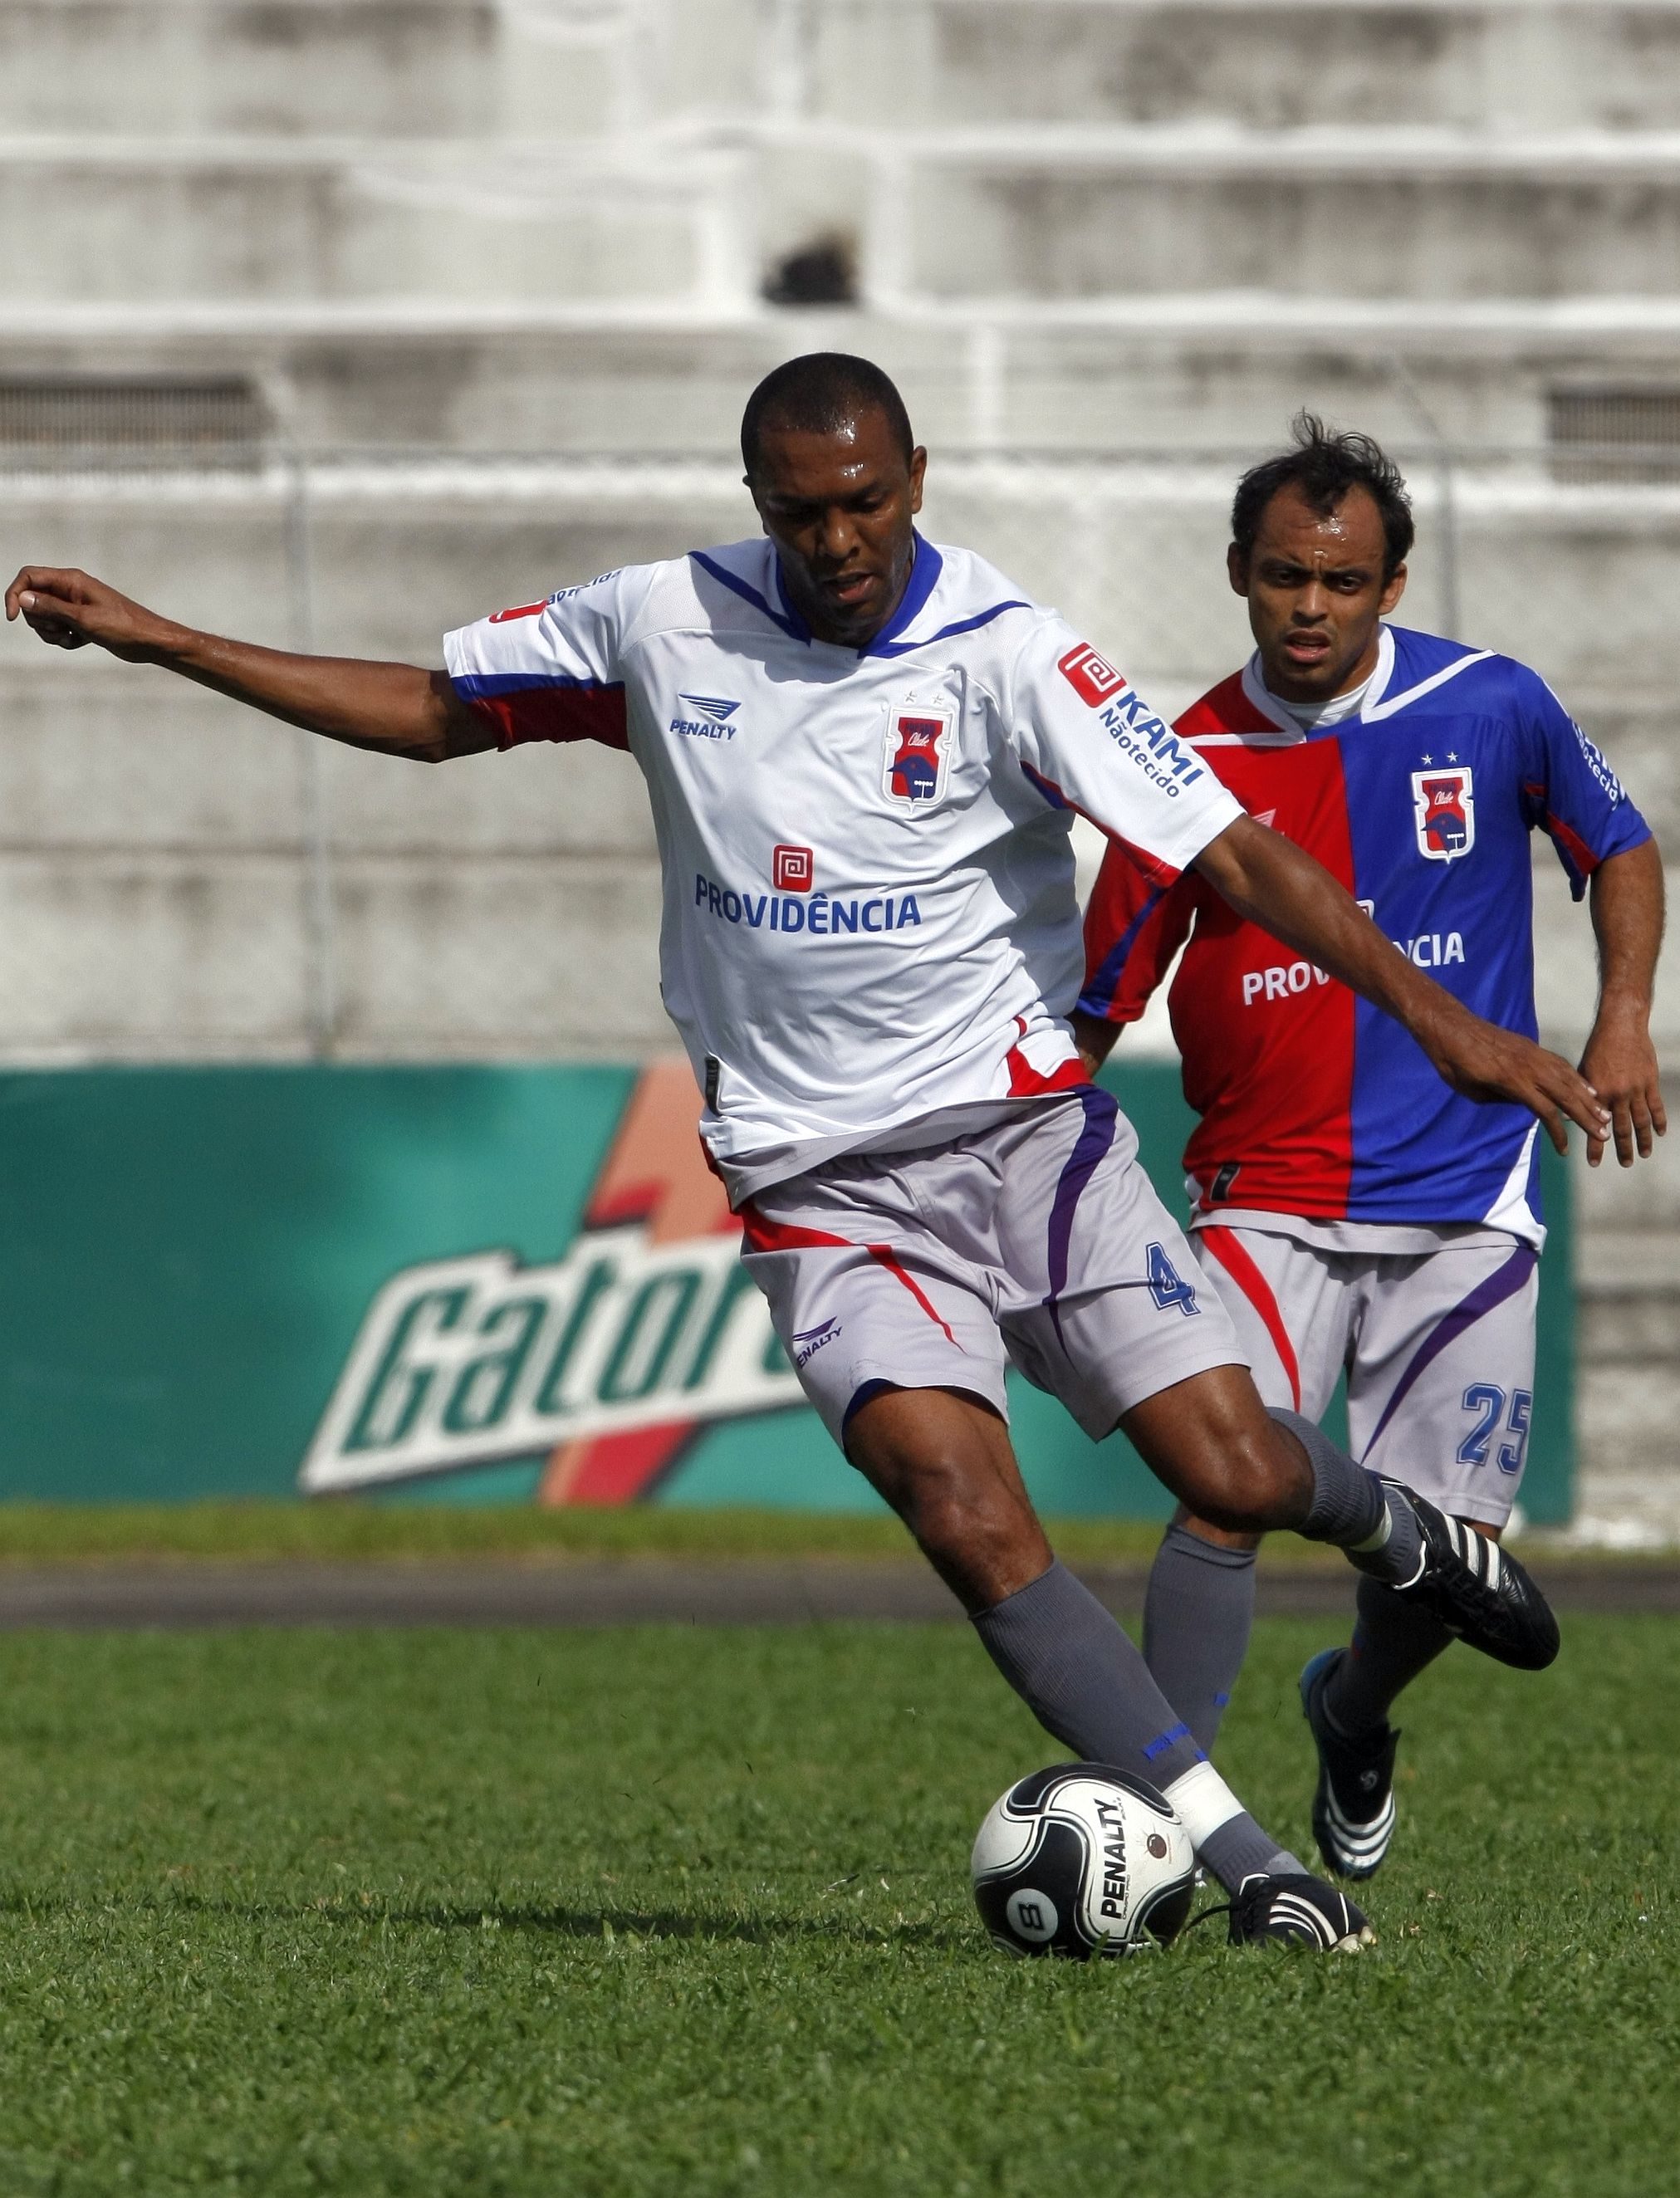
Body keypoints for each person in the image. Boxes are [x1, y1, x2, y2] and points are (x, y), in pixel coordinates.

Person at [9, 358, 1590, 1951]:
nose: (837, 539)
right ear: (757, 498)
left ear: (917, 476)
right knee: (962, 1511)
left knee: (1232, 1469)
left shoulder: (1012, 652)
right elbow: (434, 711)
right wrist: (170, 640)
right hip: (817, 1184)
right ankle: (1253, 1871)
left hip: (1027, 1143)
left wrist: (1445, 1023)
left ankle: (1393, 1528)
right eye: (800, 510)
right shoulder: (661, 620)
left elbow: (1233, 848)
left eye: (864, 503)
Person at [1075, 413, 1663, 1882]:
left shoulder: (1493, 702)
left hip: (1469, 1194)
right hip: (1264, 1198)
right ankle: (1168, 1824)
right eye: (1285, 576)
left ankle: (1350, 1709)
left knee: (1453, 1558)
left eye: (1342, 580)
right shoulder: (1177, 765)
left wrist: (1624, 1019)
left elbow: (1621, 844)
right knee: (1224, 1485)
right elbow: (1095, 1002)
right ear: (1238, 572)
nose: (1311, 606)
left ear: (1391, 585)